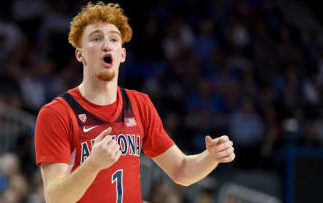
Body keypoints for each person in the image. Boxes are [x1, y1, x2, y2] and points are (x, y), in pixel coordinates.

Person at [34, 2, 235, 203]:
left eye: (113, 39)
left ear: (122, 54)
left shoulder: (140, 104)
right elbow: (55, 198)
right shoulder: (57, 113)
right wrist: (92, 165)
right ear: (80, 54)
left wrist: (211, 157)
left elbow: (181, 170)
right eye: (96, 38)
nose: (106, 44)